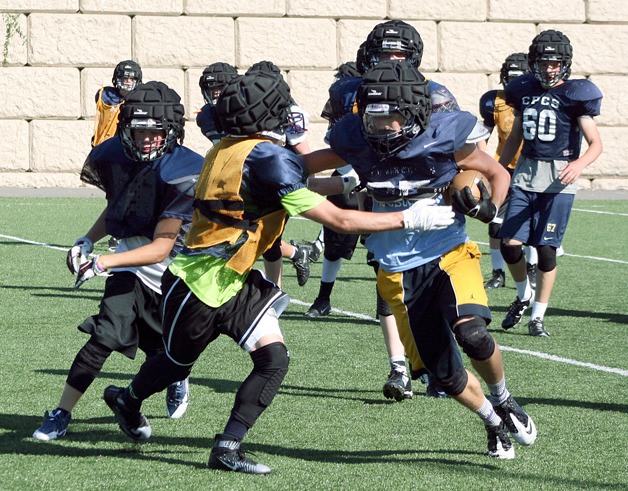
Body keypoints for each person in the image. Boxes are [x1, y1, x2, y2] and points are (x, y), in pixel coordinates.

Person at [102, 69, 456, 474]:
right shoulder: (264, 155)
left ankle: (227, 446)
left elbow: (284, 182)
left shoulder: (231, 147)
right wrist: (407, 219)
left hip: (233, 277)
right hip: (200, 281)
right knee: (175, 365)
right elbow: (337, 221)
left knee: (274, 360)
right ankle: (127, 398)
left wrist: (350, 183)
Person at [322, 61, 536, 459]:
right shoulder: (356, 142)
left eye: (391, 118)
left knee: (472, 334)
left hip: (448, 253)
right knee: (445, 375)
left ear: (415, 115)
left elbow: (496, 172)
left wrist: (491, 205)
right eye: (373, 117)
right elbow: (300, 168)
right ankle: (491, 420)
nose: (380, 127)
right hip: (397, 272)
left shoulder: (443, 139)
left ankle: (503, 397)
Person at [32, 81, 203, 441]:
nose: (145, 139)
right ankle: (60, 412)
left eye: (154, 132)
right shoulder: (116, 156)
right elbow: (120, 204)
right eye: (138, 130)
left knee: (165, 353)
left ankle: (177, 378)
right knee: (103, 336)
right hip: (128, 265)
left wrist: (101, 263)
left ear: (171, 132)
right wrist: (88, 239)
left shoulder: (185, 169)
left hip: (173, 271)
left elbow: (161, 247)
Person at [305, 20, 458, 401]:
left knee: (435, 294)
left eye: (400, 55)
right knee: (390, 294)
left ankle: (437, 363)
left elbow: (458, 156)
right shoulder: (350, 93)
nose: (392, 60)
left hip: (428, 203)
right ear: (368, 56)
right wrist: (340, 183)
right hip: (377, 204)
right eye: (385, 54)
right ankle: (400, 368)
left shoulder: (435, 94)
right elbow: (347, 154)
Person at [497, 30, 603, 337]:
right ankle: (523, 294)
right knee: (510, 244)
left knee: (545, 249)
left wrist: (579, 164)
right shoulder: (523, 90)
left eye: (556, 62)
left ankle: (538, 316)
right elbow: (515, 137)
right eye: (544, 62)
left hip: (558, 179)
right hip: (527, 174)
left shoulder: (576, 94)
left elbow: (595, 143)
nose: (550, 68)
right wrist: (499, 171)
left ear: (565, 64)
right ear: (533, 63)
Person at [478, 53, 538, 290]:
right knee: (494, 221)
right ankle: (498, 272)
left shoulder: (538, 98)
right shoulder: (496, 102)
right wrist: (484, 166)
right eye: (510, 78)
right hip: (505, 167)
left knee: (529, 223)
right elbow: (483, 135)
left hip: (531, 169)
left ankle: (531, 268)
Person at [92, 60, 142, 148]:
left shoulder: (141, 99)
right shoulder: (105, 96)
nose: (128, 82)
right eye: (125, 78)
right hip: (104, 143)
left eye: (132, 79)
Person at [196, 62, 239, 145]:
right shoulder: (205, 115)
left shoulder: (245, 111)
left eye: (220, 88)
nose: (216, 93)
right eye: (211, 89)